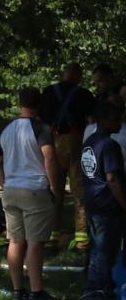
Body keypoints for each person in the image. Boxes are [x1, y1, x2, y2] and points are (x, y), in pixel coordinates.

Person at [0, 86, 63, 300]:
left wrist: (6, 184)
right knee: (35, 243)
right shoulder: (42, 129)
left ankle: (17, 289)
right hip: (34, 189)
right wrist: (54, 186)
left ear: (19, 104)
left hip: (11, 190)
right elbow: (48, 157)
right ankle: (37, 291)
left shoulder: (6, 128)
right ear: (39, 105)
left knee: (15, 241)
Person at [40, 62, 97, 250]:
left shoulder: (48, 92)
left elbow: (41, 120)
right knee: (79, 189)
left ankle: (51, 236)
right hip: (76, 141)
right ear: (78, 76)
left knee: (54, 191)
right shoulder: (84, 94)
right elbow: (91, 121)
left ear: (63, 75)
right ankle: (82, 239)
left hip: (52, 141)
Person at [80, 101, 126, 300]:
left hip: (92, 201)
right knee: (105, 252)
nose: (120, 123)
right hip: (107, 205)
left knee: (96, 249)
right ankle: (100, 294)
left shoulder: (90, 141)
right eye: (117, 119)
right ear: (106, 120)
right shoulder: (110, 145)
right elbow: (112, 179)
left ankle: (91, 291)